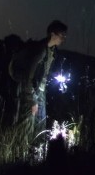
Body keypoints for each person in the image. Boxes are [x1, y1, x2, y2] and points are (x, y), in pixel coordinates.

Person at [9, 20, 68, 155]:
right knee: (27, 124)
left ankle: (35, 155)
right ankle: (19, 156)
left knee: (40, 124)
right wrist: (31, 100)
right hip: (30, 90)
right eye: (62, 34)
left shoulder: (52, 51)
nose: (64, 38)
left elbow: (44, 73)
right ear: (52, 34)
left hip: (40, 91)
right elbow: (28, 77)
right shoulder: (39, 50)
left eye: (65, 35)